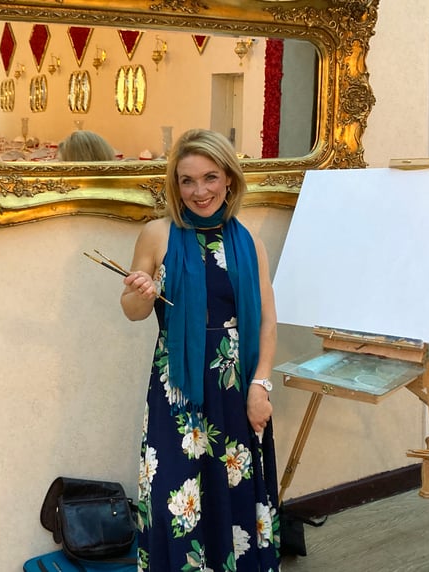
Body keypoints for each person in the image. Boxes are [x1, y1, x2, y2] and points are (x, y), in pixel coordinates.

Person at [121, 129, 280, 571]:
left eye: (210, 177)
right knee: (176, 496)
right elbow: (133, 311)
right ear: (175, 185)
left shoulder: (250, 243)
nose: (199, 191)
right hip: (177, 387)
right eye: (187, 180)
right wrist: (142, 290)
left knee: (233, 491)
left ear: (229, 178)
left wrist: (261, 386)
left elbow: (267, 322)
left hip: (236, 385)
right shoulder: (157, 235)